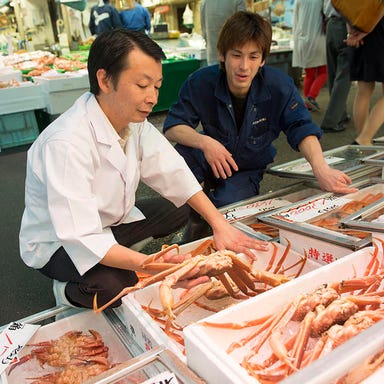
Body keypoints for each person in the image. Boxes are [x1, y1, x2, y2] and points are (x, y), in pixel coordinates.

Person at [19, 29, 269, 310]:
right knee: (119, 286)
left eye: (157, 86)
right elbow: (82, 236)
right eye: (142, 85)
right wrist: (157, 266)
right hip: (59, 244)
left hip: (109, 222)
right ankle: (66, 290)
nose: (152, 97)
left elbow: (175, 173)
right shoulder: (66, 143)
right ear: (104, 79)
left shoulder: (133, 122)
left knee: (184, 206)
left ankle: (120, 255)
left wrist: (219, 224)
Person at [163, 11, 356, 243]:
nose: (244, 66)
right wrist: (205, 142)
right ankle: (196, 220)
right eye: (236, 55)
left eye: (253, 57)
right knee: (180, 161)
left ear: (263, 59)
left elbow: (301, 127)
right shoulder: (200, 81)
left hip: (245, 167)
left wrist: (320, 168)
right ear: (222, 55)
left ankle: (211, 221)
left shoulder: (279, 85)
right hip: (210, 155)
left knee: (230, 211)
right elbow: (173, 126)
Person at [345, 15, 384, 145]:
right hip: (377, 31)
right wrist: (364, 32)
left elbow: (343, 6)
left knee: (364, 90)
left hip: (358, 30)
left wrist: (351, 32)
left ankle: (364, 141)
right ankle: (364, 138)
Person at [320, 0, 353, 133]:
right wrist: (351, 32)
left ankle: (340, 113)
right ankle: (331, 121)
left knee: (334, 73)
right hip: (343, 25)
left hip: (331, 24)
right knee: (344, 75)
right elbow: (349, 8)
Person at [292, 0, 327, 112]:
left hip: (303, 40)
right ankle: (311, 96)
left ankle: (306, 104)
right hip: (319, 39)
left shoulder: (298, 1)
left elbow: (295, 21)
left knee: (309, 74)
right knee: (324, 72)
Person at [200, 0, 246, 65]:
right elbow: (243, 28)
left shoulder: (204, 2)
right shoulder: (238, 1)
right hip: (234, 54)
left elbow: (203, 30)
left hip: (213, 53)